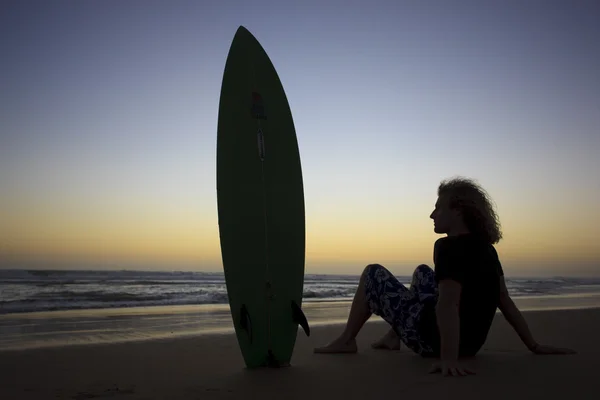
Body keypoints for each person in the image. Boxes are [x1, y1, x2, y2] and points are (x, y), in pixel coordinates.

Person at [313, 176, 576, 377]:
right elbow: (504, 301)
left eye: (438, 207)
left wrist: (448, 358)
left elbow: (448, 304)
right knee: (423, 272)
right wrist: (533, 344)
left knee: (373, 273)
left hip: (433, 342)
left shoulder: (448, 247)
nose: (432, 214)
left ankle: (347, 340)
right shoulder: (487, 249)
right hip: (470, 345)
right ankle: (393, 338)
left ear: (458, 211)